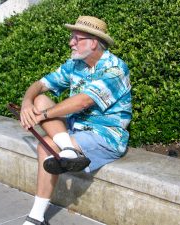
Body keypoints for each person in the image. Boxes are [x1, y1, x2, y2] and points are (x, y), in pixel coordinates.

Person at [20, 16, 132, 225]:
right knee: (41, 100)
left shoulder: (115, 68)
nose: (71, 42)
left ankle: (36, 216)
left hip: (105, 135)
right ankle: (36, 218)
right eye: (72, 37)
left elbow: (83, 102)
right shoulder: (75, 64)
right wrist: (27, 103)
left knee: (45, 145)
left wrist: (41, 116)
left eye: (76, 38)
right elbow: (41, 84)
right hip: (76, 130)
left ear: (93, 42)